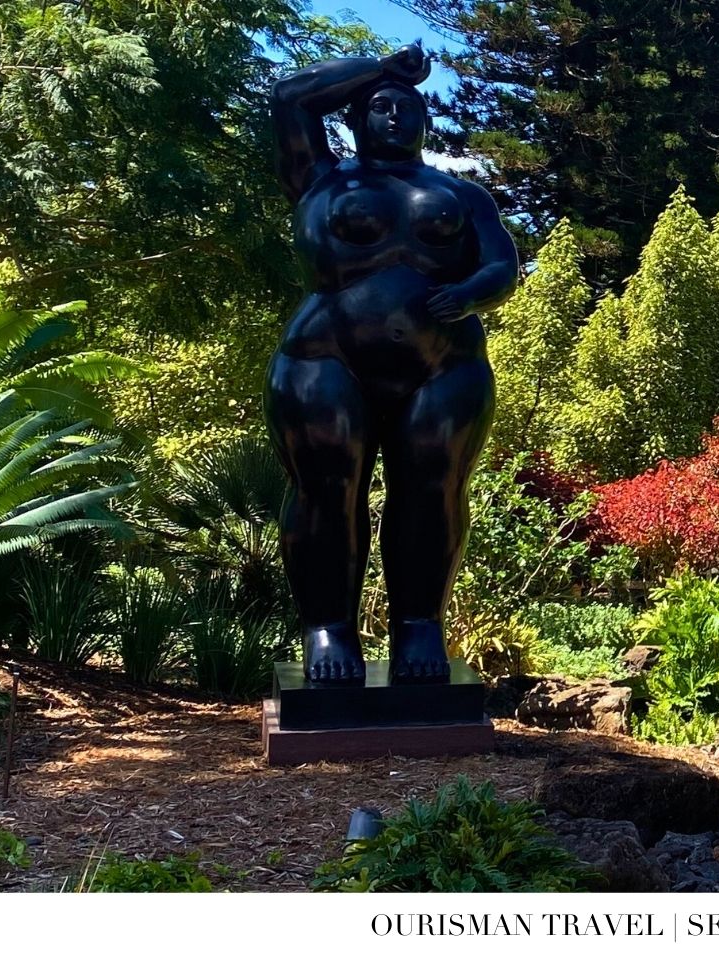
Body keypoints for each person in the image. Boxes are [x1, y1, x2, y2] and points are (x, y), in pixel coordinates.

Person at [267, 41, 520, 684]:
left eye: (407, 108)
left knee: (433, 490)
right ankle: (328, 629)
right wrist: (384, 68)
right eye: (378, 107)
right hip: (327, 358)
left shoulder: (460, 195)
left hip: (442, 365)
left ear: (425, 123)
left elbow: (502, 265)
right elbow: (290, 96)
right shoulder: (321, 180)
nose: (393, 116)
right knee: (327, 489)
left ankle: (418, 626)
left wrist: (467, 294)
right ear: (353, 118)